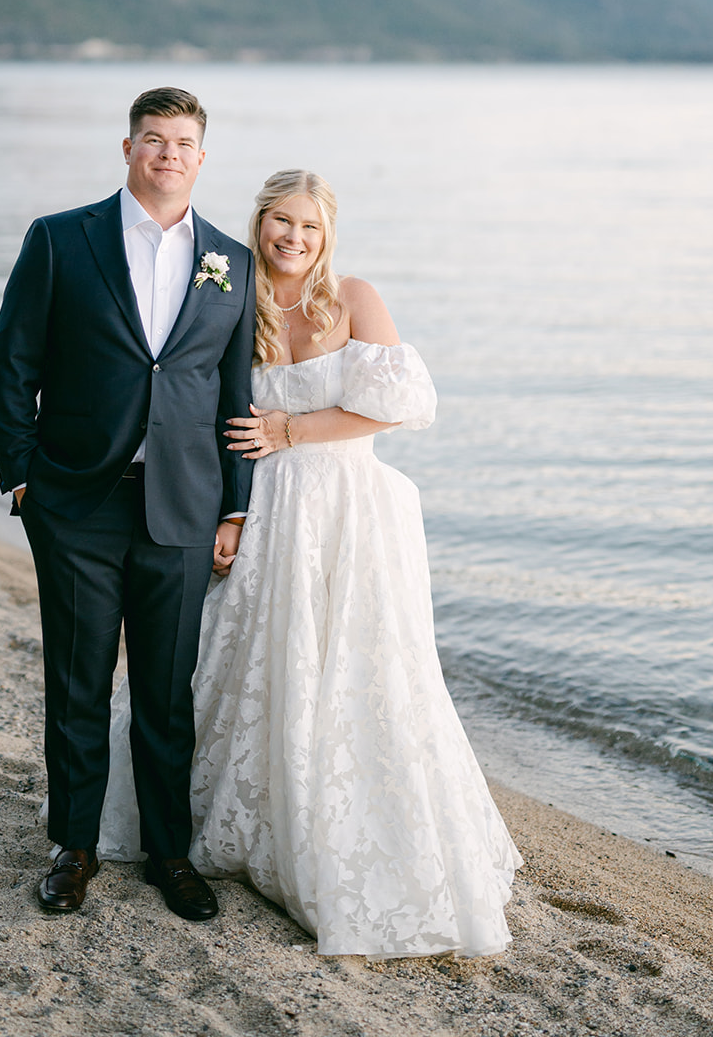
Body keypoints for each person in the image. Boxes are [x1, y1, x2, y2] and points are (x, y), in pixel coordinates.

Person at [98, 168, 521, 956]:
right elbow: (195, 403)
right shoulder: (232, 296)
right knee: (241, 659)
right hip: (261, 510)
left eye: (309, 228)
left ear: (328, 236)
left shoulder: (353, 298)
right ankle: (214, 826)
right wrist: (223, 510)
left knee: (358, 670)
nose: (293, 239)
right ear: (259, 226)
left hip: (347, 508)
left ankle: (345, 831)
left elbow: (400, 406)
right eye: (280, 223)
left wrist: (292, 430)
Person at [0, 87, 255, 921]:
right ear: (129, 148)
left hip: (183, 506)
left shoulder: (230, 262)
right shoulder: (62, 239)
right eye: (153, 139)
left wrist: (234, 509)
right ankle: (74, 846)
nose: (168, 153)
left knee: (167, 691)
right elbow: (11, 362)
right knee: (77, 680)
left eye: (183, 142)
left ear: (201, 158)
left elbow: (233, 396)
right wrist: (22, 477)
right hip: (75, 501)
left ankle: (169, 853)